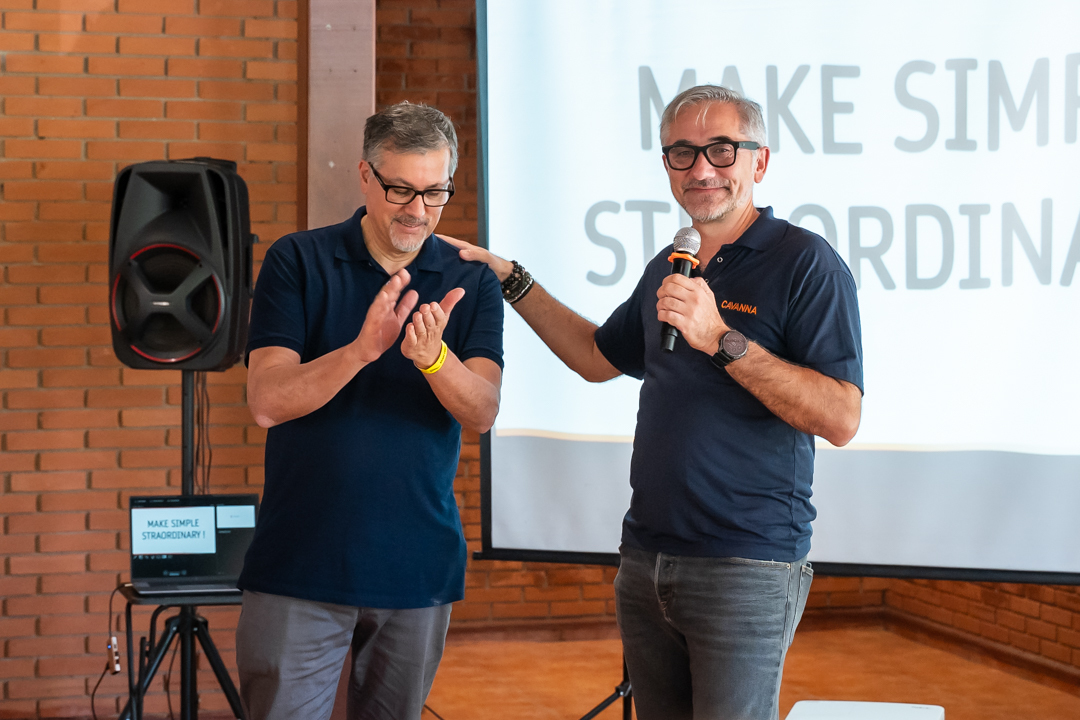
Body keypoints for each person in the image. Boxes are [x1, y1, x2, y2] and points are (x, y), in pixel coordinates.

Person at [447, 85, 863, 720]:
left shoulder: (805, 263)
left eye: (722, 150)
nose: (701, 168)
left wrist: (719, 337)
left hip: (746, 564)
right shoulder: (671, 266)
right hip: (647, 560)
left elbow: (840, 417)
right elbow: (595, 357)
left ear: (760, 161)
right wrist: (514, 280)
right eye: (682, 152)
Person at [235, 102, 504, 720]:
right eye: (400, 190)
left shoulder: (471, 279)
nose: (418, 211)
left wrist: (435, 360)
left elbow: (482, 411)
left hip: (418, 569)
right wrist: (359, 352)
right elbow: (266, 402)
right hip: (299, 563)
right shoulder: (297, 259)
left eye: (435, 193)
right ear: (364, 175)